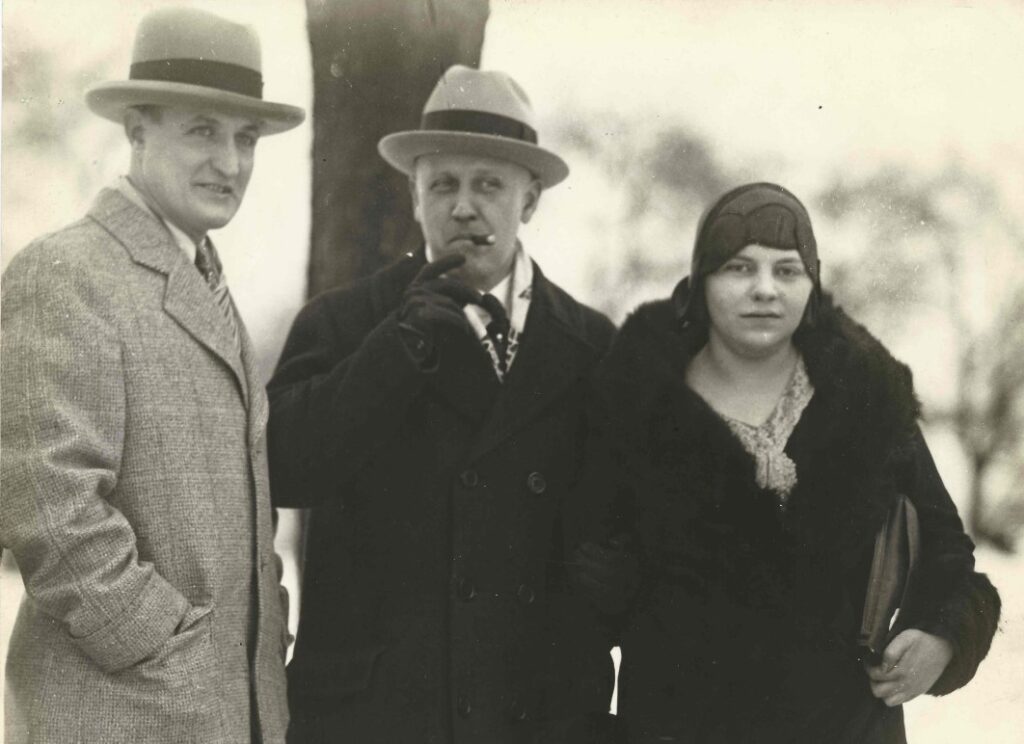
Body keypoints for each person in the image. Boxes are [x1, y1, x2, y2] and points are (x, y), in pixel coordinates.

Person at [267, 65, 617, 743]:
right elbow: (283, 469)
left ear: (531, 198)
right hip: (380, 719)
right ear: (414, 194)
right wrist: (395, 349)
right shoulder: (344, 323)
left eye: (489, 184)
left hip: (535, 717)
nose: (464, 206)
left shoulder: (591, 347)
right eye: (443, 185)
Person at [579, 183, 1001, 743]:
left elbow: (954, 567)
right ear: (700, 280)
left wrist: (943, 641)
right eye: (738, 268)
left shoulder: (869, 404)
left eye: (787, 271)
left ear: (813, 285)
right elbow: (575, 599)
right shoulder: (639, 405)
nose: (763, 290)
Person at [0, 7, 305, 743]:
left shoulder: (210, 288)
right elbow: (46, 499)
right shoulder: (66, 271)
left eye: (246, 138)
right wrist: (160, 643)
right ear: (136, 130)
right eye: (202, 130)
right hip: (118, 714)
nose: (230, 163)